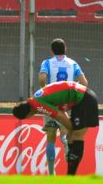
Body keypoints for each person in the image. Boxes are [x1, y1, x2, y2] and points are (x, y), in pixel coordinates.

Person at [12, 81, 99, 175]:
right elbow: (61, 110)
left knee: (76, 136)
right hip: (82, 98)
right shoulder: (35, 98)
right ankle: (70, 174)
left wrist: (71, 128)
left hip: (84, 99)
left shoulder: (38, 105)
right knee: (71, 136)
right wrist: (70, 129)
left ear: (27, 115)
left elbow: (59, 116)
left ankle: (71, 176)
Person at [38, 38, 88, 175]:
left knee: (51, 137)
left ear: (52, 50)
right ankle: (66, 145)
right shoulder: (73, 63)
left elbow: (42, 79)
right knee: (67, 132)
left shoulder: (47, 62)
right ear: (65, 48)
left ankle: (51, 174)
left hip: (51, 102)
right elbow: (84, 82)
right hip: (67, 103)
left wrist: (47, 92)